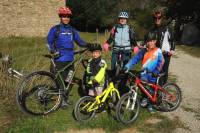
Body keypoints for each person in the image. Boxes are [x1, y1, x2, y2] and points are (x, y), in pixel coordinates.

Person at [47, 7, 92, 106]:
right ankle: (60, 100)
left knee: (69, 80)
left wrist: (89, 45)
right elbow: (49, 42)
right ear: (60, 17)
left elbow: (79, 41)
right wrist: (53, 51)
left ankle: (65, 98)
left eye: (67, 16)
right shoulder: (55, 29)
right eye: (64, 16)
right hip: (59, 59)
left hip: (70, 59)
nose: (66, 18)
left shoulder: (72, 30)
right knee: (60, 81)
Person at [124, 32, 164, 113]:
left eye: (152, 41)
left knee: (152, 90)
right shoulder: (143, 51)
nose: (150, 43)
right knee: (144, 88)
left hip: (153, 74)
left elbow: (161, 62)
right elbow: (135, 59)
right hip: (144, 74)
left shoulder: (158, 51)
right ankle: (145, 99)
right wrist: (127, 66)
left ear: (155, 41)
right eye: (148, 41)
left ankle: (151, 105)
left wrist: (156, 71)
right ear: (146, 42)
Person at [147, 9, 175, 85]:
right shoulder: (152, 30)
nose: (157, 19)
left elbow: (172, 40)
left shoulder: (168, 28)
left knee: (163, 73)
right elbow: (147, 39)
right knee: (154, 72)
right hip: (155, 54)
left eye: (159, 18)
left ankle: (163, 90)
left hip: (165, 55)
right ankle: (155, 90)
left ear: (162, 18)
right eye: (155, 18)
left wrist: (172, 49)